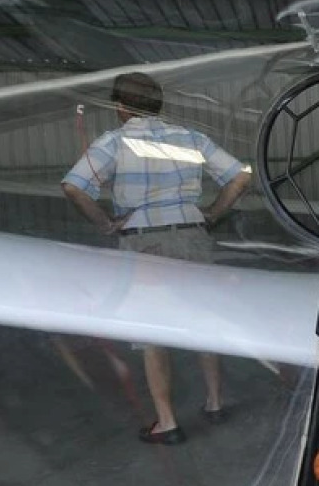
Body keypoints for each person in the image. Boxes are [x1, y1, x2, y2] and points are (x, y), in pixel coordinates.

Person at [61, 71, 253, 445]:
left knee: (152, 333)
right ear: (160, 104)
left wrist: (104, 223)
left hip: (143, 244)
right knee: (205, 319)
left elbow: (73, 186)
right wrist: (211, 213)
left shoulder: (114, 143)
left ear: (119, 106)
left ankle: (167, 423)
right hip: (192, 237)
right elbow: (240, 176)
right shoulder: (189, 137)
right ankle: (214, 402)